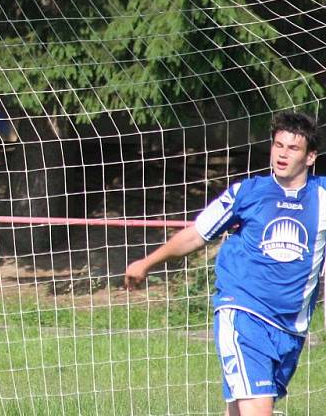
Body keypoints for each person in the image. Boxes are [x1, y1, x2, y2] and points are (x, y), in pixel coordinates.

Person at [125, 111, 324, 416]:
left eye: (293, 148)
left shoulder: (322, 196)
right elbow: (195, 235)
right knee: (258, 408)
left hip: (291, 328)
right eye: (278, 145)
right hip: (244, 314)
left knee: (240, 409)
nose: (282, 154)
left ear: (310, 157)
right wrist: (147, 262)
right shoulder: (247, 193)